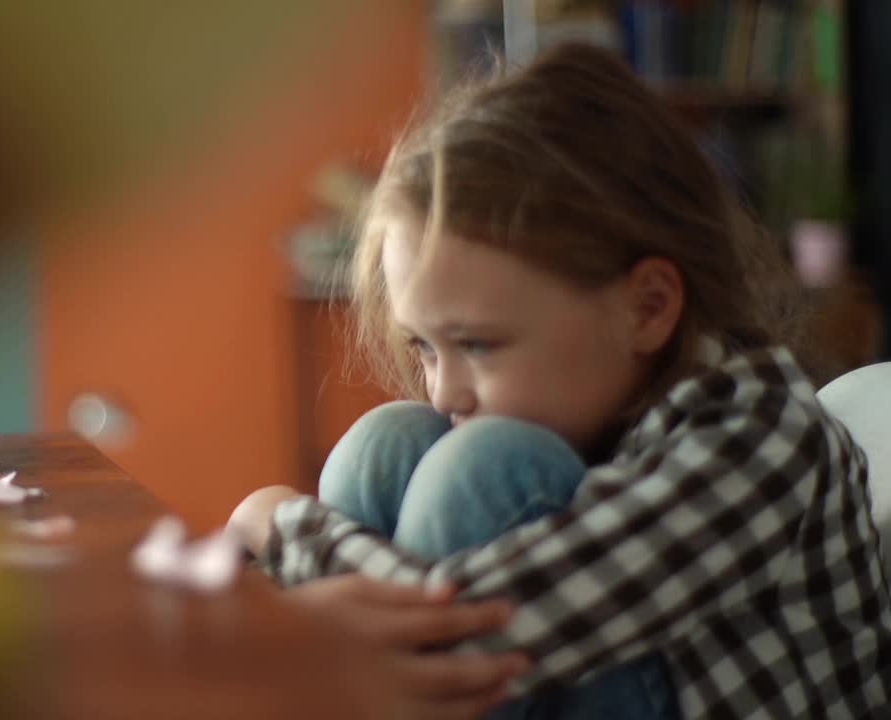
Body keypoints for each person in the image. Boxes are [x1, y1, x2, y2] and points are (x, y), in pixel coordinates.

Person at [227, 43, 891, 720]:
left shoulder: (761, 439)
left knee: (483, 466)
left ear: (649, 307)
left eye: (478, 344)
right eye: (424, 347)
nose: (444, 391)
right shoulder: (593, 409)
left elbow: (460, 636)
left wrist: (279, 522)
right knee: (392, 440)